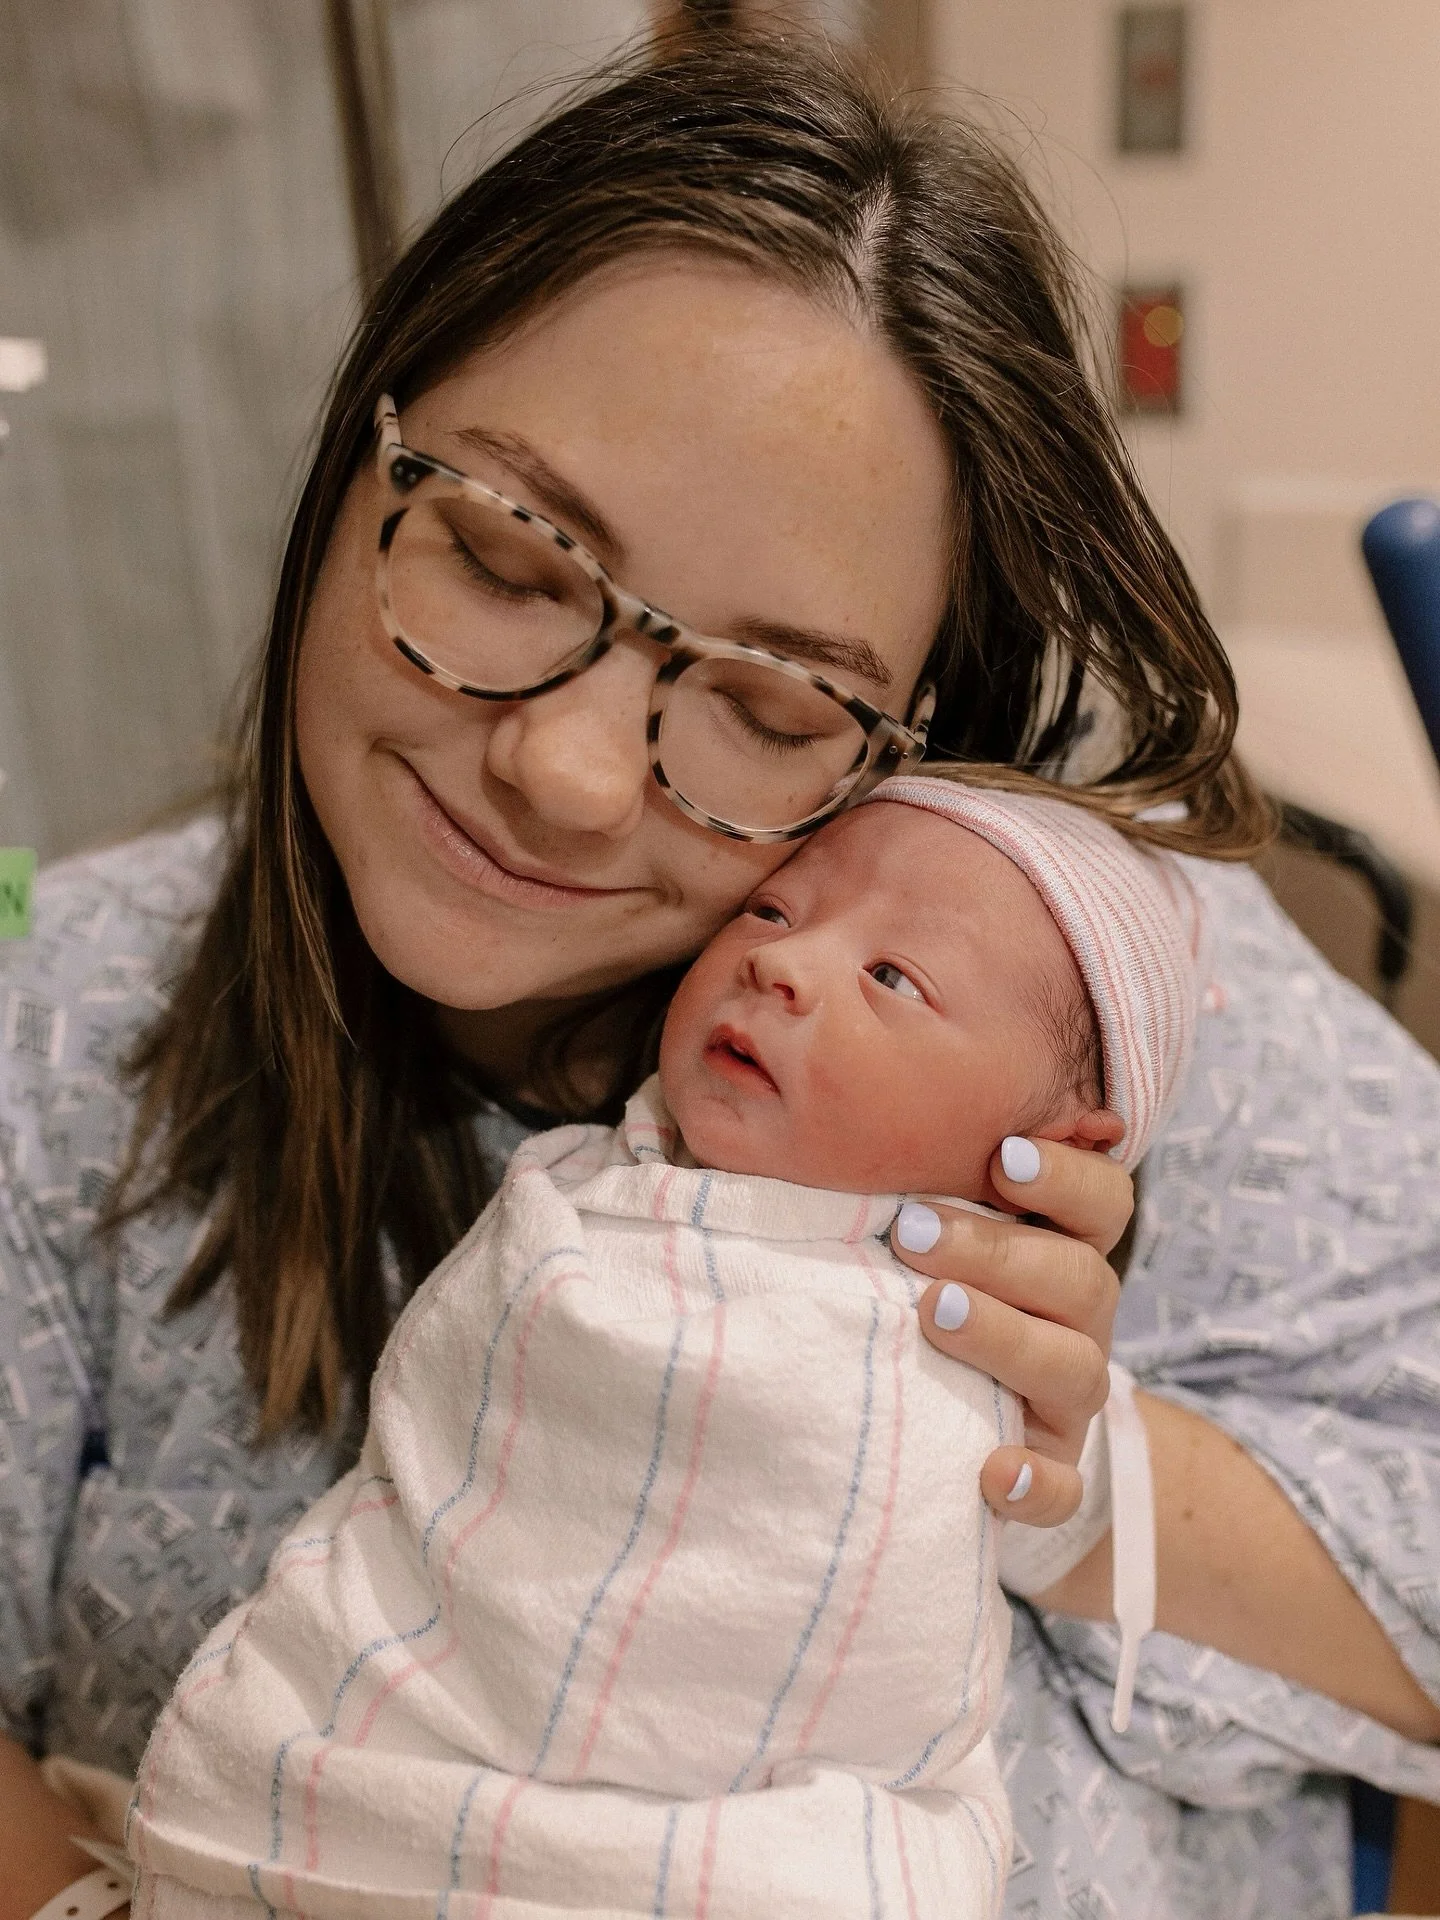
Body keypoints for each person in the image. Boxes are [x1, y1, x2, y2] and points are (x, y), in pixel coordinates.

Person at [1, 35, 1435, 1920]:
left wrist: (1062, 1470)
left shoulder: (1083, 995)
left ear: (913, 734)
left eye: (771, 705)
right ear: (367, 447)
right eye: (508, 561)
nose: (572, 771)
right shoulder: (72, 1032)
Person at [129, 779, 1198, 1919]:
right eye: (777, 912)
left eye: (895, 979)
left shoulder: (984, 1329)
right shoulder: (588, 1189)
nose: (780, 966)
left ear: (1053, 1149)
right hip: (399, 1763)